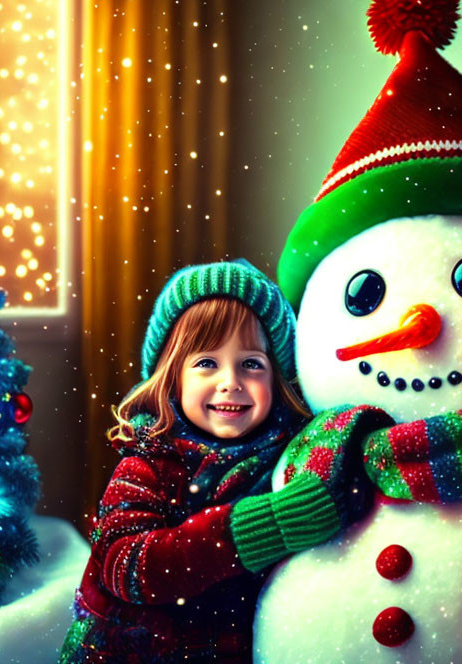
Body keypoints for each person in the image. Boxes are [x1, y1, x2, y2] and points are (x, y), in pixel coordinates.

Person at [59, 259, 350, 663]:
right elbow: (124, 565)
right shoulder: (150, 461)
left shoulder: (290, 453)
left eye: (251, 364)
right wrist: (256, 528)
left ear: (277, 379)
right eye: (206, 363)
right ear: (172, 376)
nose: (230, 381)